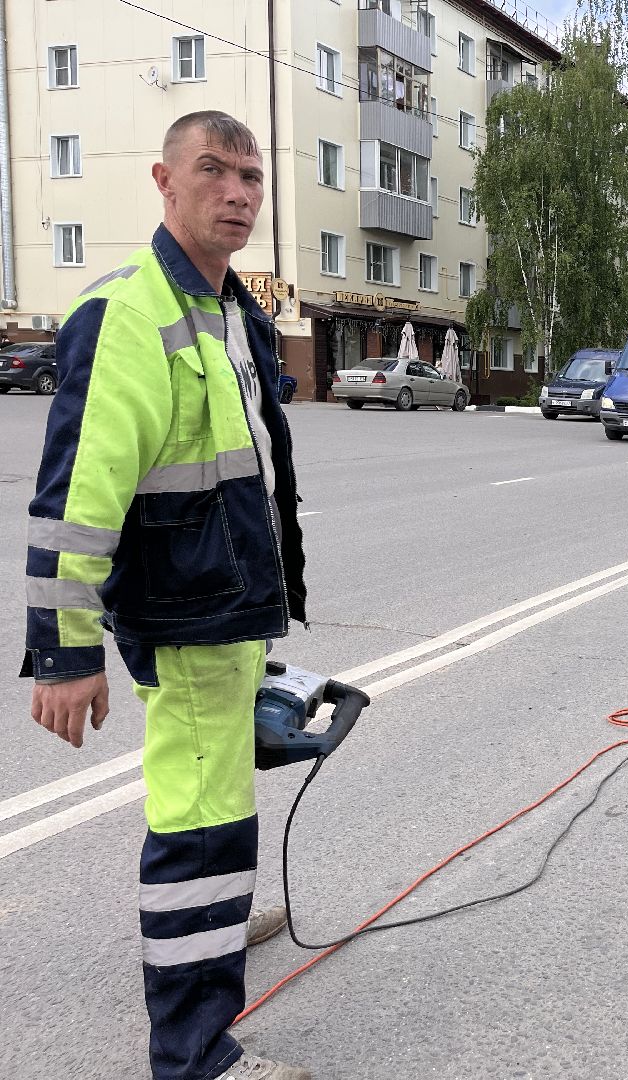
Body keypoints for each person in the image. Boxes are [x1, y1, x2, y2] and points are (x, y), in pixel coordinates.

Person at [24, 112, 310, 1080]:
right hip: (186, 620)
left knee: (217, 802)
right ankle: (196, 1056)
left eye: (250, 176)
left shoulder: (231, 310)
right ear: (164, 179)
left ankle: (218, 925)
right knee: (200, 825)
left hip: (223, 611)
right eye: (213, 170)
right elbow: (76, 499)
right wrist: (64, 652)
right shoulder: (128, 313)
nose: (236, 192)